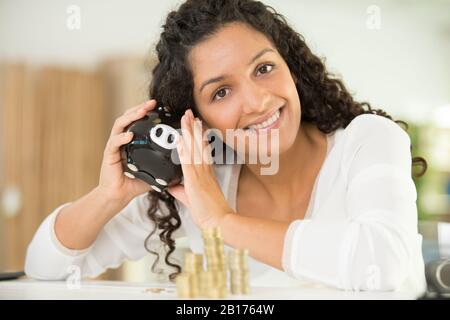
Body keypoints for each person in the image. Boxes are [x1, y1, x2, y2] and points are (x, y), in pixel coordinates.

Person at [25, 0, 428, 292]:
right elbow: (43, 266)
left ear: (291, 65)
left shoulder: (368, 140)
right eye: (220, 92)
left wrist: (223, 222)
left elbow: (382, 262)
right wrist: (108, 195)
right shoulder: (201, 183)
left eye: (264, 68)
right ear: (196, 119)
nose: (256, 102)